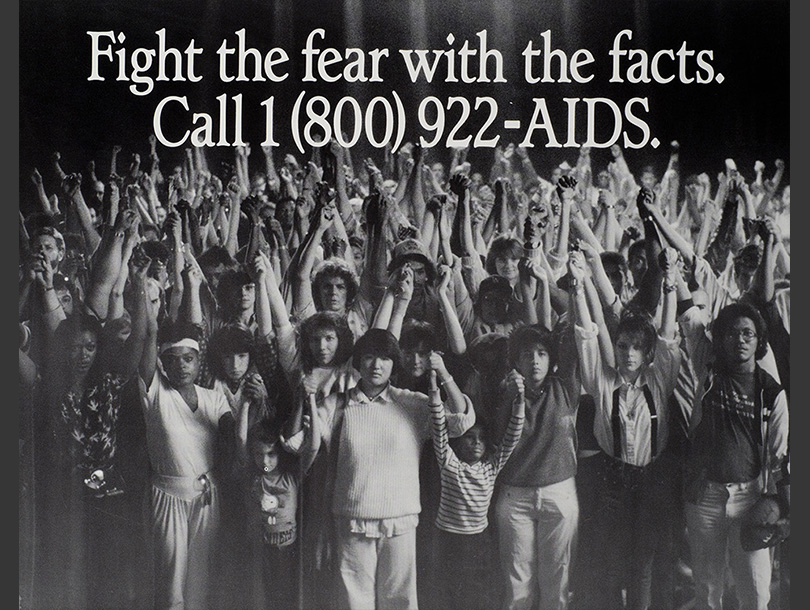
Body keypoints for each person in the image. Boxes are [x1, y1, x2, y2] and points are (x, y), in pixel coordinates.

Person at [309, 329, 476, 610]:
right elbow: (296, 445)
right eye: (369, 357)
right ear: (358, 362)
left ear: (394, 364)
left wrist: (444, 373)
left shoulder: (413, 403)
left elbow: (460, 422)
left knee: (399, 601)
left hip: (401, 519)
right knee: (353, 602)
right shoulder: (336, 405)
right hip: (351, 520)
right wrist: (305, 395)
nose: (376, 365)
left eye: (385, 358)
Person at [571, 247, 682, 610]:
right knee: (608, 561)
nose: (629, 354)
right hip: (611, 480)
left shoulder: (659, 379)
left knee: (645, 564)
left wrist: (668, 287)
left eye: (637, 348)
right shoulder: (603, 382)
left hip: (651, 481)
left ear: (647, 354)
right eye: (622, 346)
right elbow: (587, 335)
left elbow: (667, 336)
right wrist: (580, 286)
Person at [680, 301, 789, 610]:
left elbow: (780, 458)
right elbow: (689, 316)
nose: (740, 340)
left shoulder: (772, 392)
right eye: (731, 333)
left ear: (759, 342)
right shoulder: (709, 368)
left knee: (756, 594)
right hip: (705, 496)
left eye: (748, 334)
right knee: (707, 590)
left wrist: (786, 509)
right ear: (721, 339)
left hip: (750, 499)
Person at [138, 313, 237, 610]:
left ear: (198, 362)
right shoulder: (156, 394)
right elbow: (146, 360)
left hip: (207, 496)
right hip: (167, 497)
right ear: (163, 365)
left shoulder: (215, 398)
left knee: (200, 580)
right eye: (173, 359)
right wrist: (153, 328)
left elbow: (232, 437)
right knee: (171, 583)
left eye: (188, 359)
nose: (181, 366)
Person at [494, 324, 580, 610]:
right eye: (527, 354)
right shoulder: (504, 392)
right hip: (514, 496)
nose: (534, 360)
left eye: (542, 353)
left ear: (551, 359)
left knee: (558, 580)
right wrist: (510, 397)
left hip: (559, 491)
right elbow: (497, 439)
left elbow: (576, 335)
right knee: (518, 583)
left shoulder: (564, 386)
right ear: (516, 362)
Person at [429, 360, 525, 610]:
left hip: (478, 540)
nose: (476, 443)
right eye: (470, 438)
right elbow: (439, 428)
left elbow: (512, 436)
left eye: (481, 439)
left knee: (478, 593)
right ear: (458, 443)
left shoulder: (491, 467)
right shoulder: (449, 463)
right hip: (448, 538)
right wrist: (433, 392)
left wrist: (519, 403)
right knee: (447, 592)